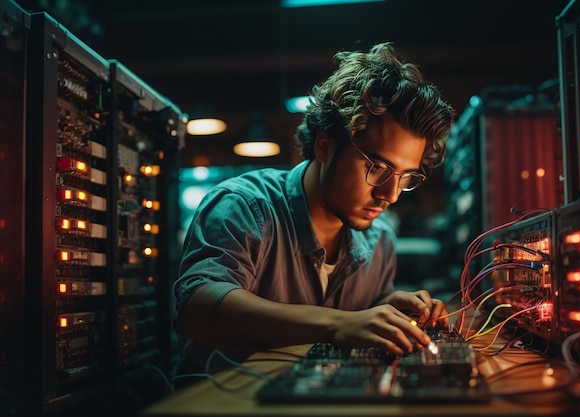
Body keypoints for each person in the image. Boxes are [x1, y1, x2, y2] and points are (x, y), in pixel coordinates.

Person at [173, 42, 456, 374]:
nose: (390, 195)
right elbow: (197, 308)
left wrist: (383, 309)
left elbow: (358, 322)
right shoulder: (245, 206)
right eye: (377, 168)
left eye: (406, 176)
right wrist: (339, 323)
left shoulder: (381, 240)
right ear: (325, 146)